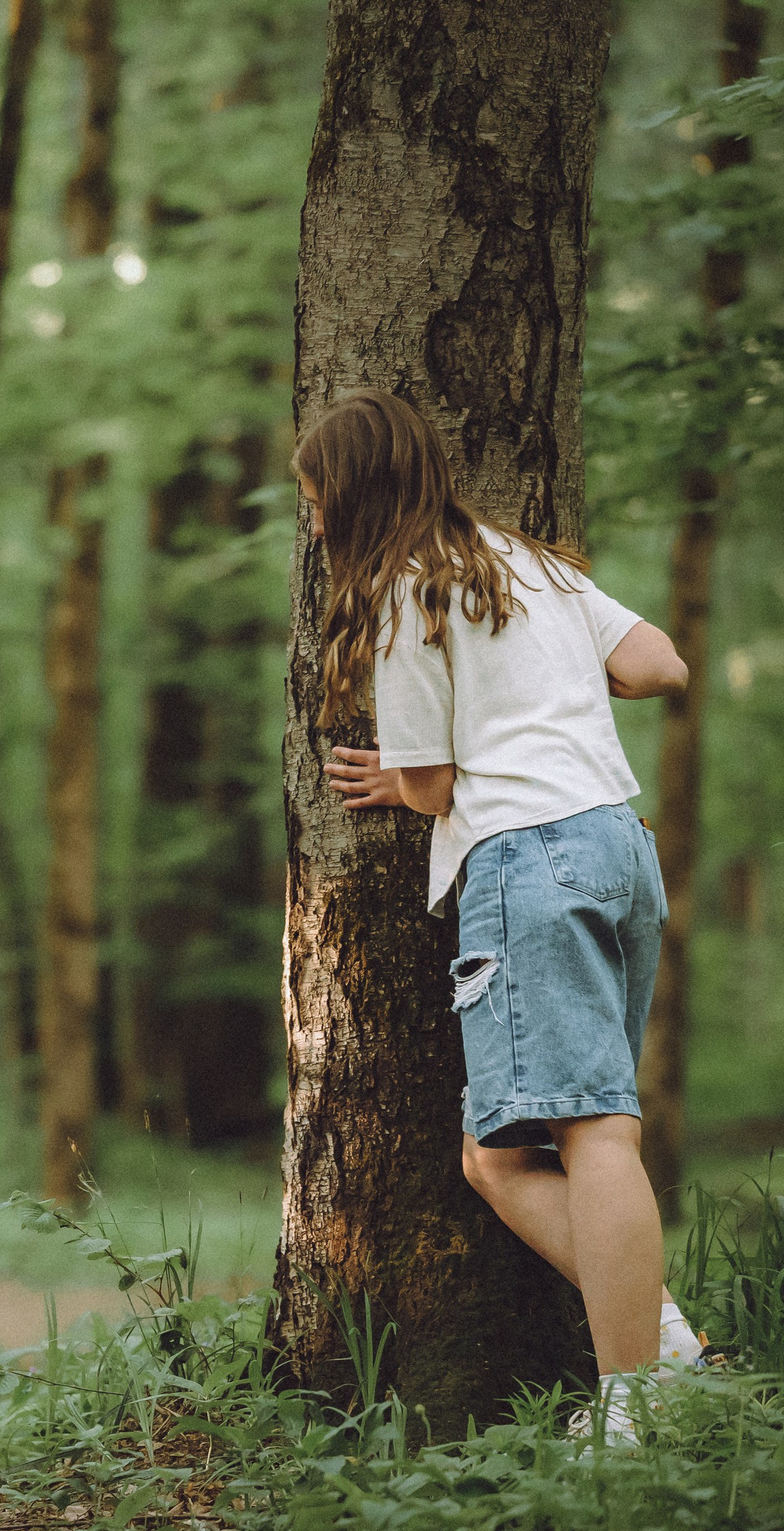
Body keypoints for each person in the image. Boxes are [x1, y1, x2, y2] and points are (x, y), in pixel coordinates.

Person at [295, 388, 699, 1441]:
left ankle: (637, 1409)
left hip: (529, 859)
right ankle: (659, 1341)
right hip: (617, 847)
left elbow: (430, 788)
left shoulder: (405, 594)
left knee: (588, 1133)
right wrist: (545, 697)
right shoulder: (532, 564)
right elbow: (658, 666)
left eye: (314, 499)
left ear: (351, 492)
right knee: (501, 1154)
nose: (312, 522)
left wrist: (408, 778)